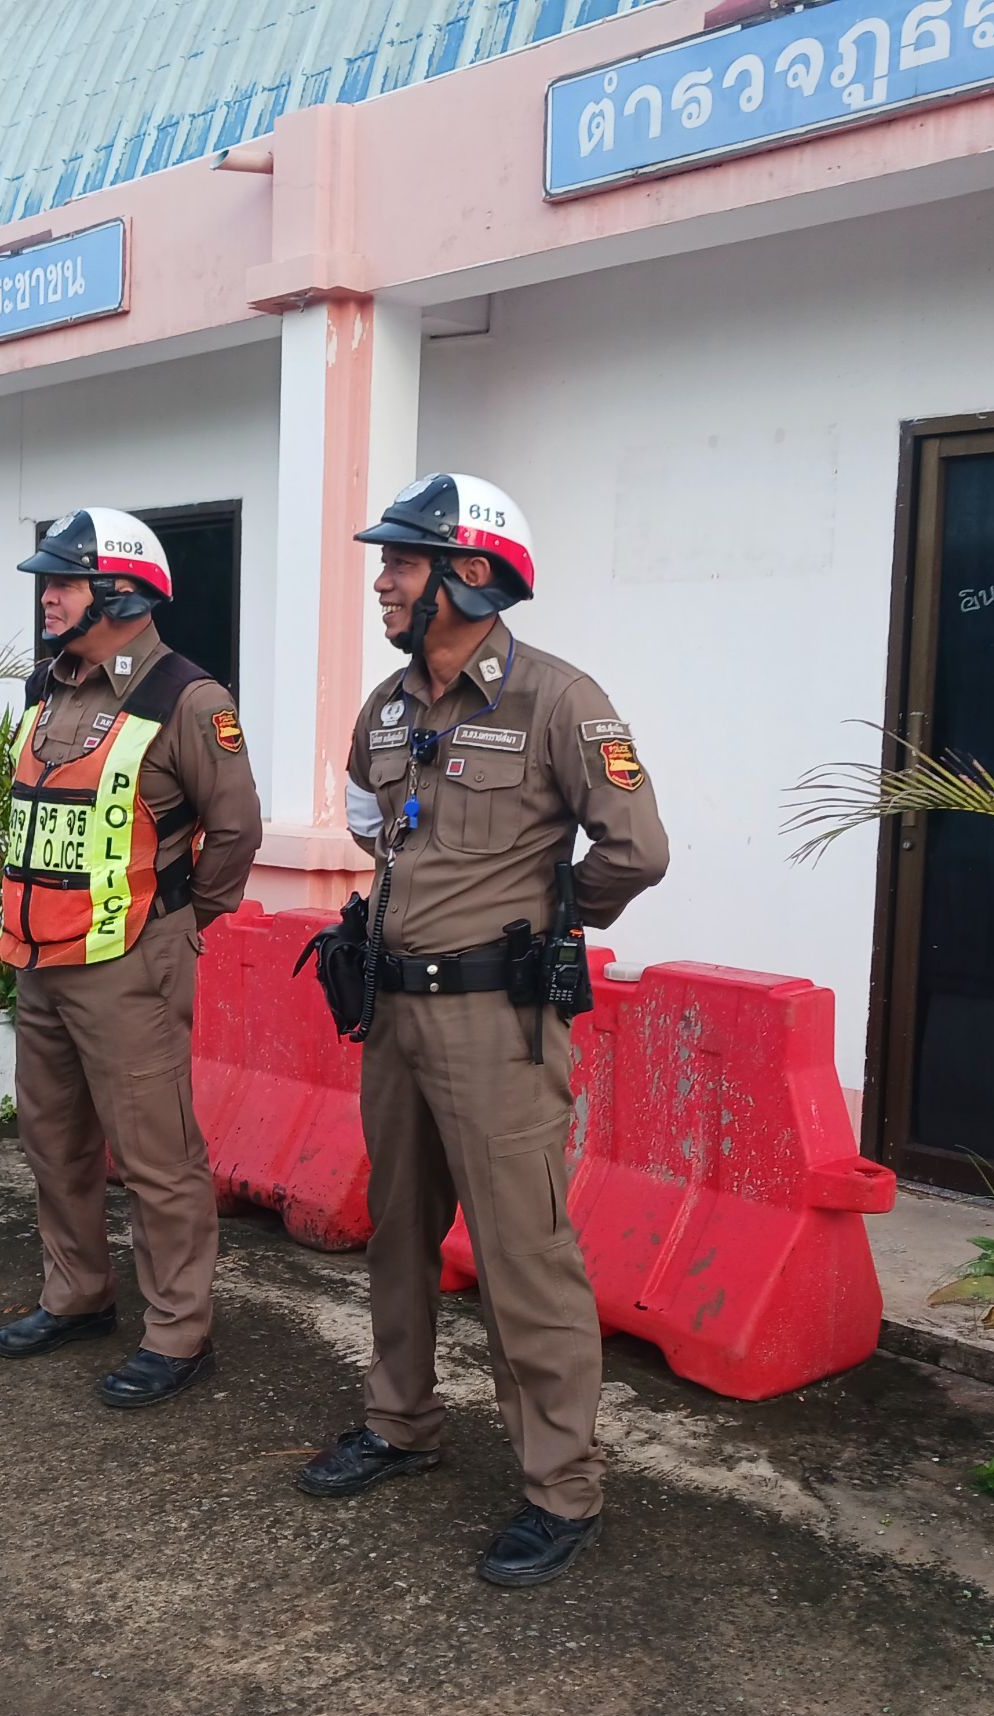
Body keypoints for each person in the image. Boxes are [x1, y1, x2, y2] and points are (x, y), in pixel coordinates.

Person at [296, 473, 669, 1587]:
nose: (382, 581)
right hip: (395, 1016)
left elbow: (636, 848)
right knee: (398, 1231)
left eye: (402, 562)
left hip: (497, 1025)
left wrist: (555, 915)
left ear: (470, 574)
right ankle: (399, 1421)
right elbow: (371, 821)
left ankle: (561, 1485)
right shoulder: (388, 705)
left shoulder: (558, 699)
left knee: (522, 1253)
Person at [0, 506, 262, 1407]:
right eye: (49, 581)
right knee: (53, 1138)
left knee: (156, 1152)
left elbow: (235, 831)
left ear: (121, 591)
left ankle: (178, 1330)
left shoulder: (188, 698)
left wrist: (178, 921)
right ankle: (76, 1293)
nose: (48, 596)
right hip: (41, 958)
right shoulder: (48, 686)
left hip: (130, 961)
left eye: (65, 582)